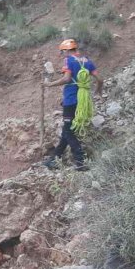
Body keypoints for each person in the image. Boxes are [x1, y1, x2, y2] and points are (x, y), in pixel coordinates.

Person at [42, 39, 103, 171]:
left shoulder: (68, 60)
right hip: (83, 100)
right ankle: (54, 159)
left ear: (67, 50)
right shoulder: (87, 61)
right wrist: (98, 90)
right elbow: (100, 79)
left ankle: (80, 160)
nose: (62, 54)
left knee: (69, 132)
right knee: (67, 129)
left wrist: (49, 84)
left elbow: (67, 79)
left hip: (71, 100)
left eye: (62, 52)